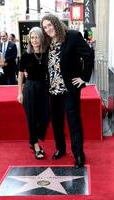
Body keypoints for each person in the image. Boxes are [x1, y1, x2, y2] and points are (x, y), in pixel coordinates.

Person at [41, 14, 94, 168]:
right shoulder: (48, 42)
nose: (48, 29)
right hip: (53, 90)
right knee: (57, 122)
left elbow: (89, 54)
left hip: (69, 89)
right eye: (45, 27)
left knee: (74, 122)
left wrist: (84, 77)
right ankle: (60, 149)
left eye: (50, 25)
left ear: (56, 23)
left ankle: (78, 154)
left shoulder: (72, 36)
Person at [17, 27, 49, 160]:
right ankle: (35, 145)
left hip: (44, 88)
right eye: (32, 37)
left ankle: (34, 138)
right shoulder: (25, 55)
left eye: (36, 37)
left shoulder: (47, 53)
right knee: (31, 118)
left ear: (41, 37)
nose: (34, 40)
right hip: (30, 88)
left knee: (46, 116)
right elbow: (20, 75)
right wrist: (20, 92)